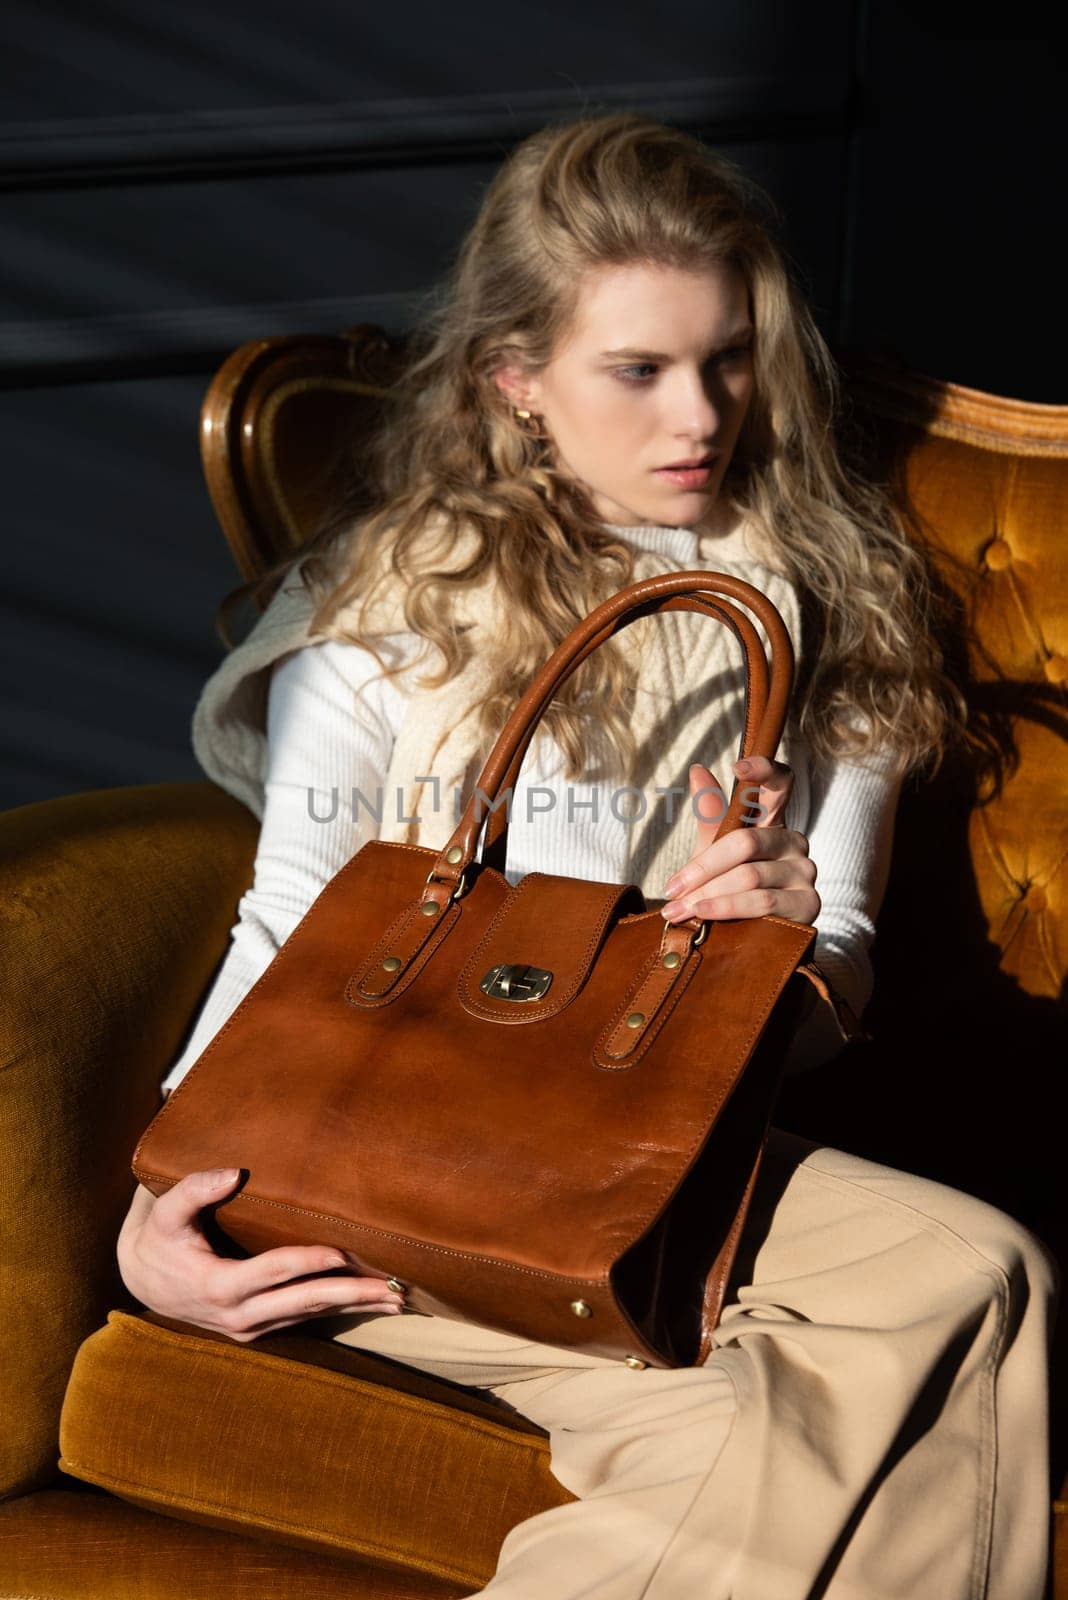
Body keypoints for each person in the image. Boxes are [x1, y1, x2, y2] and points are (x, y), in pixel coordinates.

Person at [116, 113, 1055, 1599]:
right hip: (400, 1158)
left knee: (985, 1270)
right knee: (884, 1354)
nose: (702, 414)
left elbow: (840, 979)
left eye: (730, 356)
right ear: (516, 385)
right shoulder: (388, 622)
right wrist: (155, 1214)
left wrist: (759, 952)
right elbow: (287, 921)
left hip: (646, 1151)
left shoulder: (828, 611)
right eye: (638, 369)